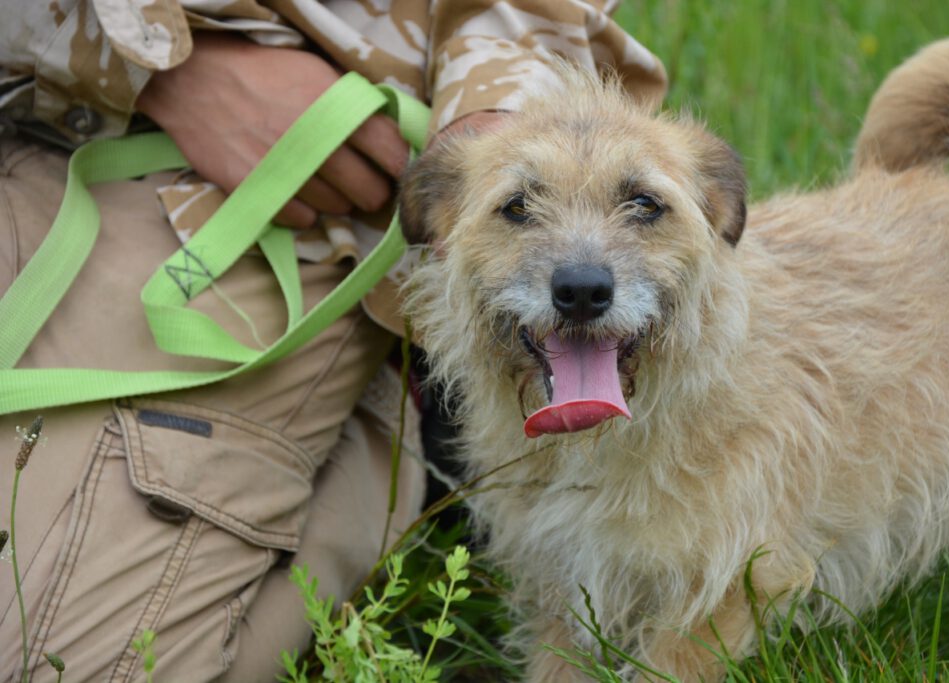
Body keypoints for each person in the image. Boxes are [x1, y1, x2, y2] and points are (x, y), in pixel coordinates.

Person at [0, 2, 666, 680]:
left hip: (273, 188)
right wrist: (147, 66)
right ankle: (414, 434)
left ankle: (408, 394)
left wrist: (491, 127)